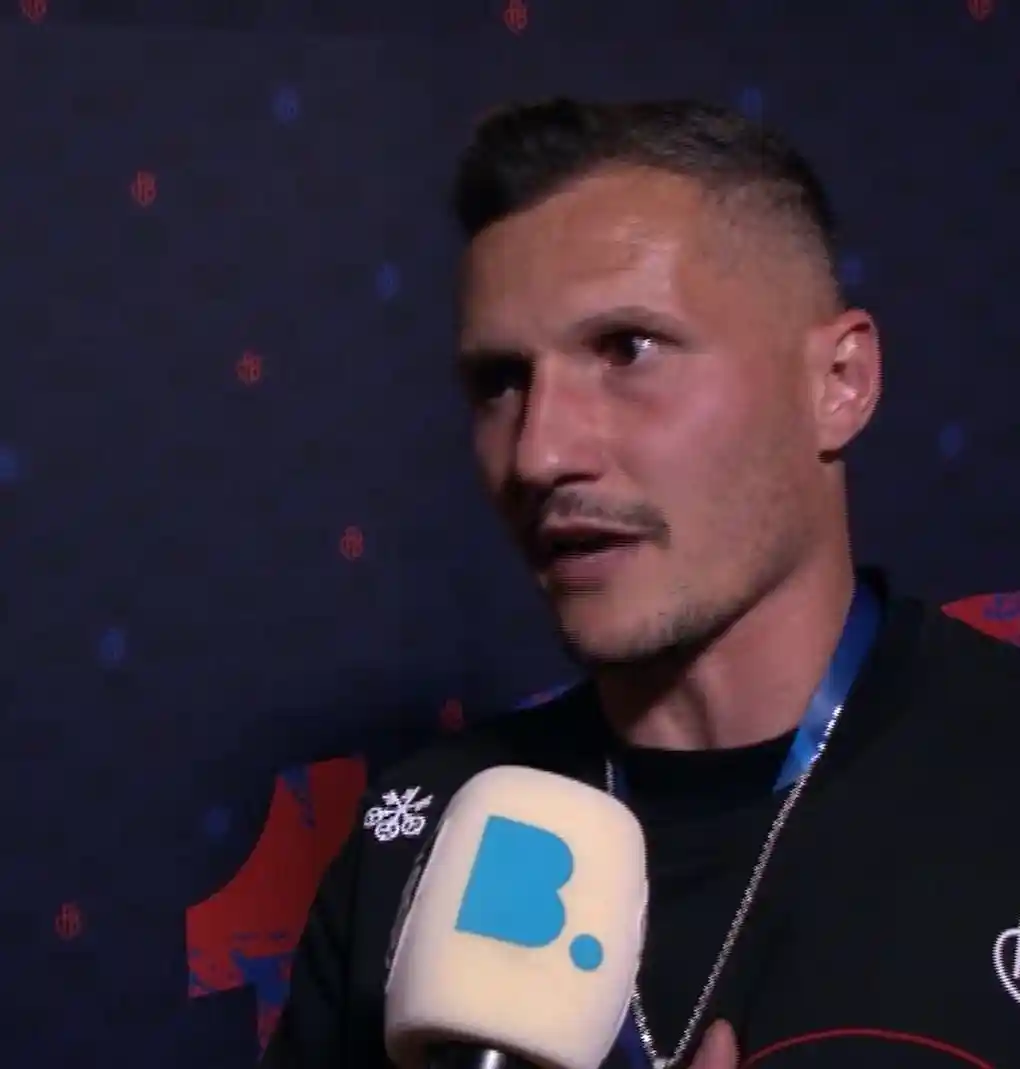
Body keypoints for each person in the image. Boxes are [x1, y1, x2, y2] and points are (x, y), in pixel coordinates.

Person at [262, 98, 1020, 1069]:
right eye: (501, 381)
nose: (540, 453)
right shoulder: (414, 836)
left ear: (839, 381)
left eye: (628, 349)